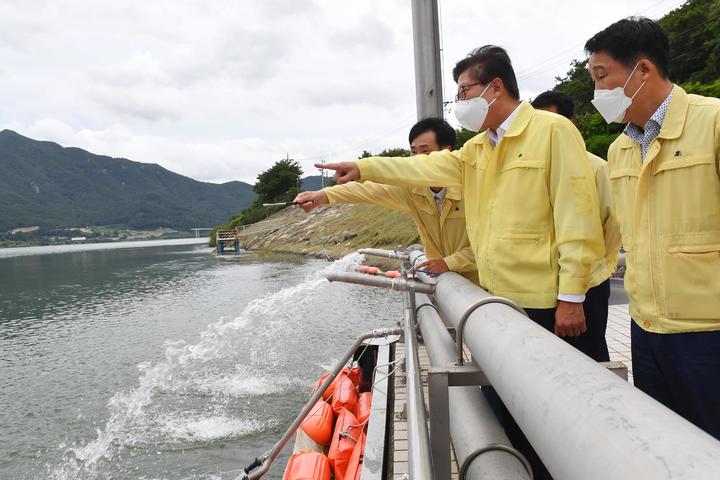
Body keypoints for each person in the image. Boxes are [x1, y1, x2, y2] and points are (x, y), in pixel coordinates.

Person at [320, 45, 605, 480]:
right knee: (512, 407)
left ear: (495, 87)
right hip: (500, 302)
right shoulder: (478, 150)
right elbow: (425, 169)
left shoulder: (551, 131)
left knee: (553, 412)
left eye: (464, 90)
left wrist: (571, 295)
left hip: (546, 300)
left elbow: (576, 214)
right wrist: (362, 168)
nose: (459, 102)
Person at [586, 17, 720, 440]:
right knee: (665, 445)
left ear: (643, 70)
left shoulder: (712, 123)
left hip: (708, 332)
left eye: (602, 76)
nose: (597, 92)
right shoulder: (620, 148)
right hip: (645, 330)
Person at [294, 117, 478, 284]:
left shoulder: (473, 186)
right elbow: (368, 189)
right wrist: (322, 196)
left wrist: (448, 263)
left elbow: (491, 245)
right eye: (413, 152)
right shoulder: (413, 191)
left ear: (446, 153)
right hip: (443, 285)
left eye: (425, 152)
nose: (417, 159)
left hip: (483, 292)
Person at [531, 90, 622, 362]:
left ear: (571, 123)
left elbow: (611, 229)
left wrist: (587, 282)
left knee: (590, 356)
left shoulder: (596, 167)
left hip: (587, 286)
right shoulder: (535, 169)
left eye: (552, 121)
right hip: (544, 284)